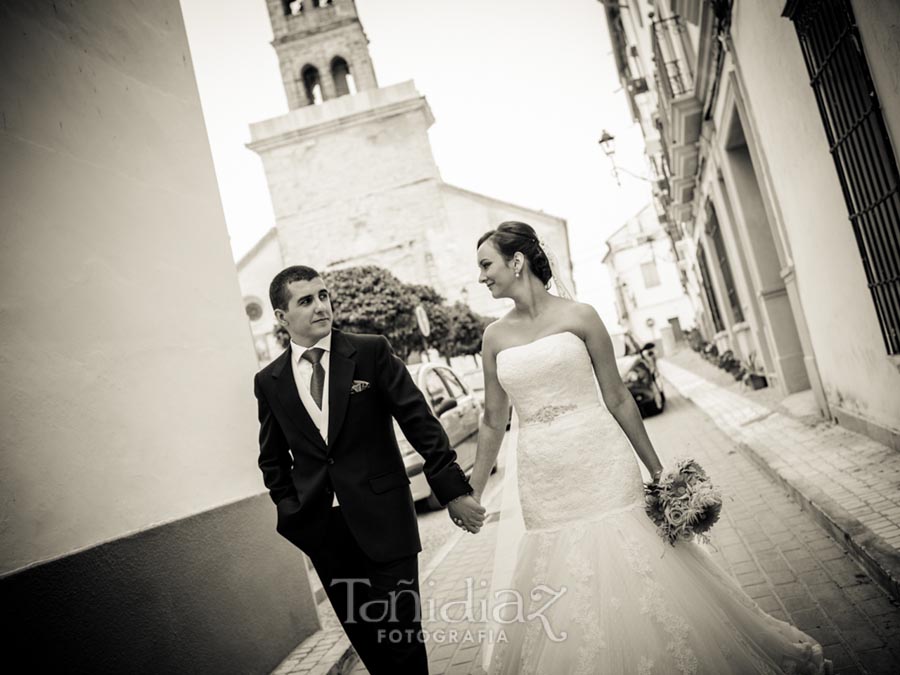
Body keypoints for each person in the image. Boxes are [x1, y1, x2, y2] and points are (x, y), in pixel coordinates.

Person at [466, 222, 833, 674]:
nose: (482, 276)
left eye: (486, 265)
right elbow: (491, 420)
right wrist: (475, 492)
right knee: (561, 570)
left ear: (516, 261)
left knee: (633, 557)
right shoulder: (494, 338)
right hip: (544, 474)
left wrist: (658, 471)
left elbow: (617, 397)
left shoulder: (581, 316)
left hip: (601, 458)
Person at [254, 265, 485, 675]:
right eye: (306, 300)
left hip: (386, 522)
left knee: (402, 641)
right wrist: (294, 516)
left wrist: (453, 491)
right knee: (370, 646)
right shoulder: (269, 381)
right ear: (281, 316)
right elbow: (272, 459)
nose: (321, 306)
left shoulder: (369, 351)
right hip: (325, 533)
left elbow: (420, 422)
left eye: (323, 295)